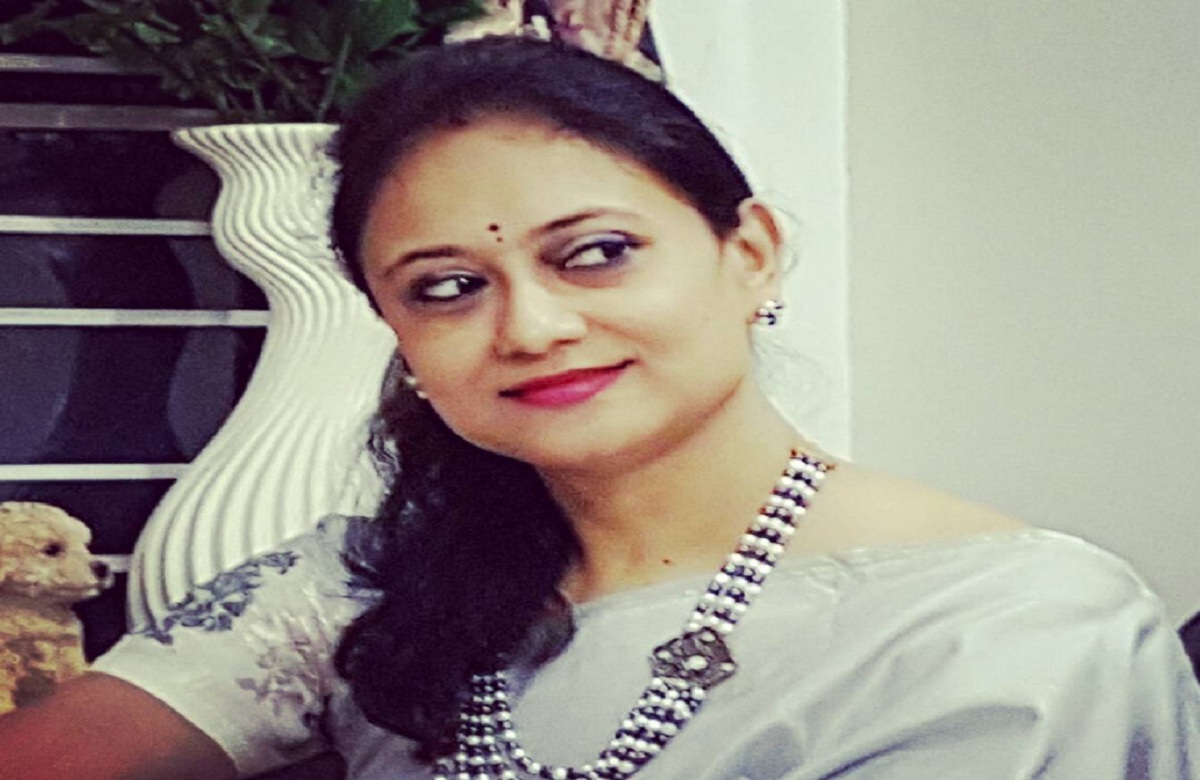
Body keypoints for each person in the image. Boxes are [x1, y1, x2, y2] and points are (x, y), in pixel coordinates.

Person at [1, 37, 1198, 780]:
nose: (530, 327)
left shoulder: (1018, 632)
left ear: (751, 254)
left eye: (596, 254)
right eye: (447, 287)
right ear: (398, 334)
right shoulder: (361, 582)